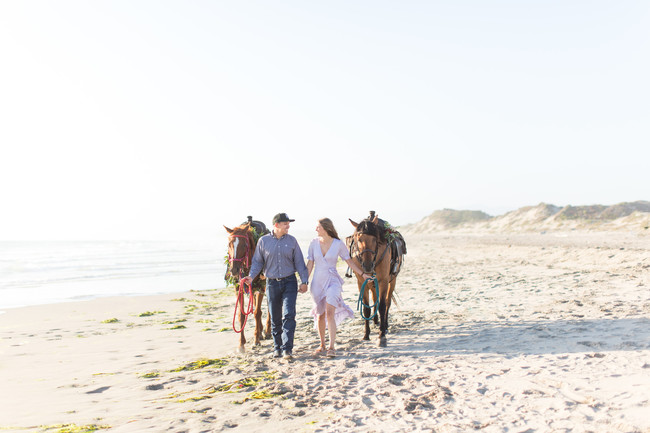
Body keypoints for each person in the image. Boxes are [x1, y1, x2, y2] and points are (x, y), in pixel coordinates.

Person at [242, 213, 309, 360]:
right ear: (277, 225)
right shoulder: (263, 241)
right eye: (286, 223)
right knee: (275, 318)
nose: (288, 226)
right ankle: (277, 347)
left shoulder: (292, 241)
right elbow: (258, 262)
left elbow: (299, 262)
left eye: (288, 224)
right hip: (272, 283)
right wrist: (251, 277)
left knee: (289, 314)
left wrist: (304, 281)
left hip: (290, 282)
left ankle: (287, 349)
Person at [306, 218, 371, 357]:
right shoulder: (313, 243)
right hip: (317, 282)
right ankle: (322, 344)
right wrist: (303, 281)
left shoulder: (338, 244)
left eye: (318, 227)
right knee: (320, 315)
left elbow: (349, 262)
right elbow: (310, 264)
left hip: (333, 281)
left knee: (330, 313)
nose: (316, 229)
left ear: (326, 228)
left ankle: (331, 347)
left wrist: (363, 274)